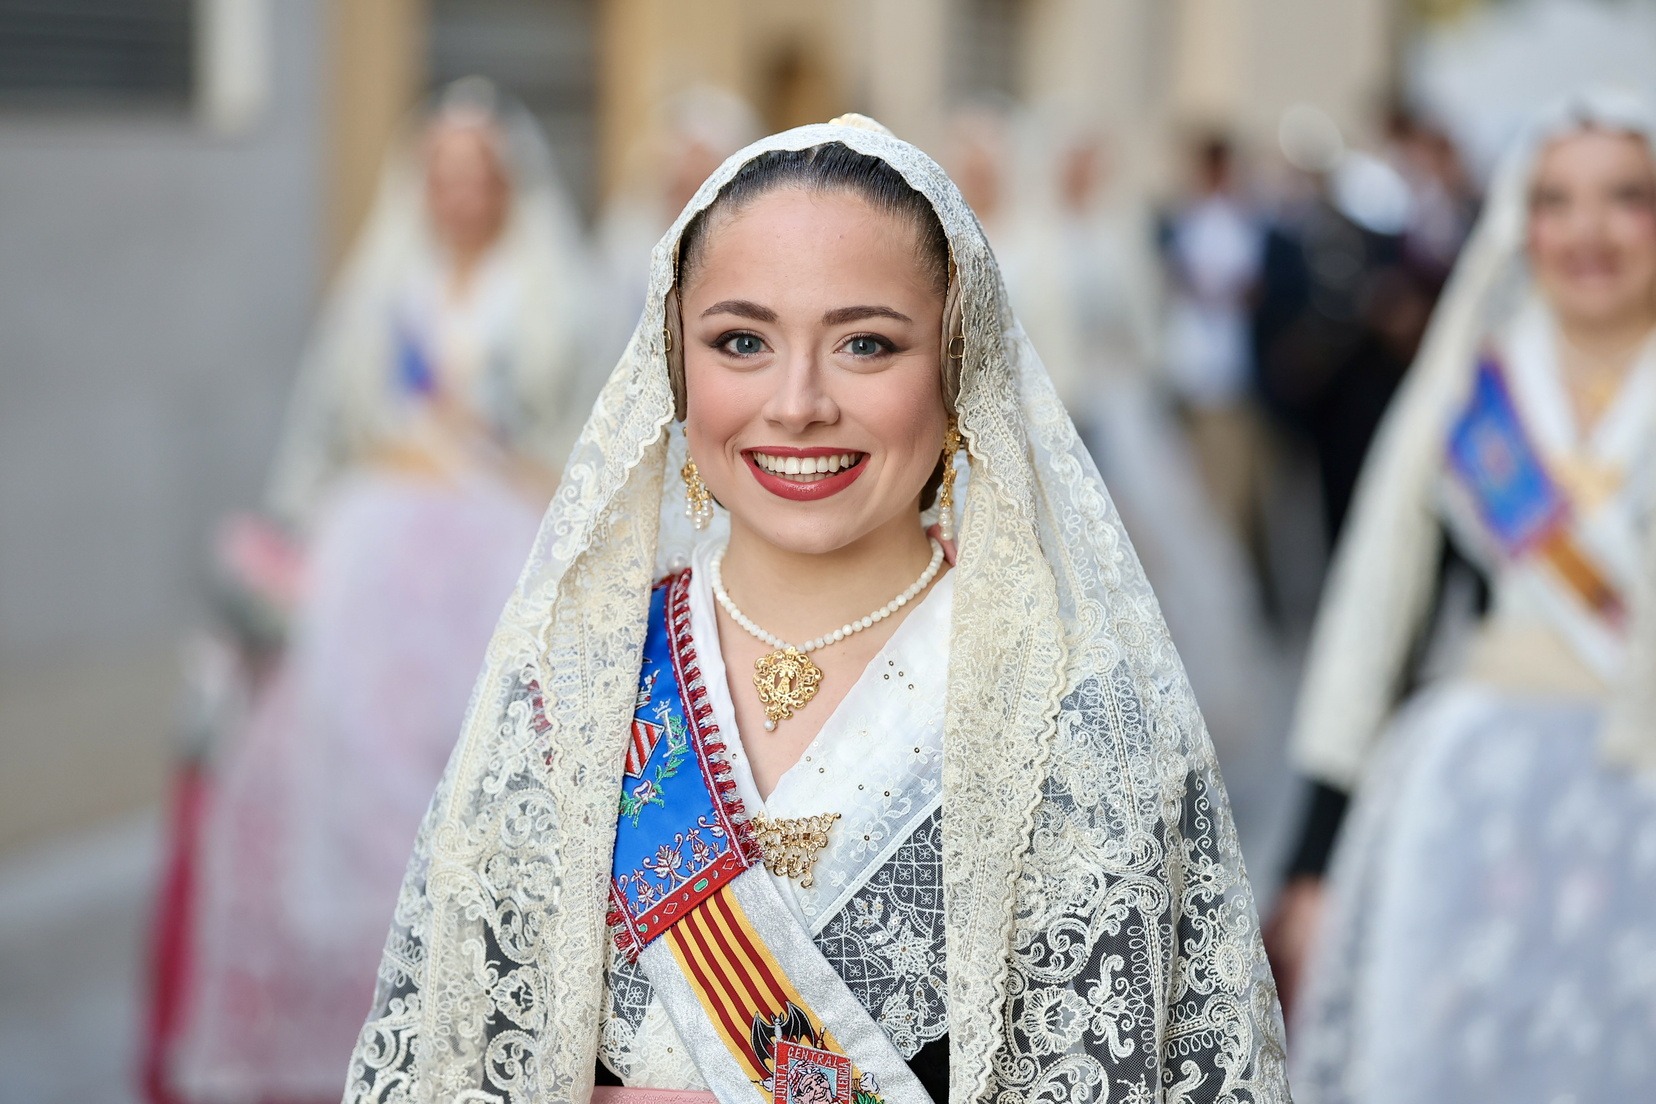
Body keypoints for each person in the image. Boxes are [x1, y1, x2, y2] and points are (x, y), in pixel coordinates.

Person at [342, 115, 1286, 1104]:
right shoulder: (573, 687)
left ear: (958, 364)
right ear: (675, 366)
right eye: (741, 341)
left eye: (865, 344)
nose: (797, 404)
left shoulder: (1076, 718)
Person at [152, 79, 593, 1103]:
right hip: (374, 560)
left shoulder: (558, 294)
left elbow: (583, 434)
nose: (461, 193)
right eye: (444, 174)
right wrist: (293, 546)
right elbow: (323, 432)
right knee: (343, 777)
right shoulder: (382, 292)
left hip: (500, 556)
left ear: (508, 183)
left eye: (478, 174)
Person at [1272, 93, 1656, 1102]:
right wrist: (1314, 859)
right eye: (1556, 201)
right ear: (1521, 222)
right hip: (1482, 799)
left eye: (1626, 198)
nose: (1588, 232)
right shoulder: (1478, 390)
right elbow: (1379, 610)